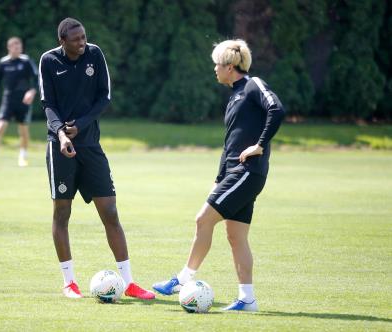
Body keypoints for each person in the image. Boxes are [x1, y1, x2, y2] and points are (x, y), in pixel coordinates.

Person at [152, 39, 285, 312]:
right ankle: (247, 300)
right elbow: (230, 143)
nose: (214, 69)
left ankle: (182, 279)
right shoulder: (235, 95)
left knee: (202, 220)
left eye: (217, 64)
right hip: (235, 173)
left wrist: (260, 144)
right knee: (236, 237)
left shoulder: (252, 85)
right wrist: (219, 177)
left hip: (248, 171)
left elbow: (277, 108)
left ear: (230, 66)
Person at [39, 17, 155, 300]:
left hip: (90, 146)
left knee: (111, 213)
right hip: (60, 147)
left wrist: (80, 125)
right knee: (62, 214)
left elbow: (104, 97)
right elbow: (48, 105)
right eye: (76, 39)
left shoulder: (95, 53)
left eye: (84, 37)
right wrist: (63, 135)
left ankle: (128, 283)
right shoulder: (48, 61)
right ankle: (69, 282)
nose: (82, 42)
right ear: (62, 41)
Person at [0, 37, 37, 167]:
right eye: (15, 47)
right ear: (9, 48)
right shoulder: (3, 62)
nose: (18, 49)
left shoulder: (26, 61)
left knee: (23, 130)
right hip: (8, 100)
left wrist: (32, 91)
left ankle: (23, 157)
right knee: (0, 127)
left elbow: (37, 79)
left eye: (20, 47)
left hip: (23, 101)